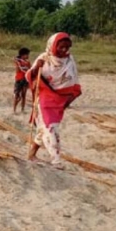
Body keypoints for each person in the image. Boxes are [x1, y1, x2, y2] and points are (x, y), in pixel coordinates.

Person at [25, 32, 82, 169]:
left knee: (43, 129)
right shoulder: (44, 58)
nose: (64, 50)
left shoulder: (69, 61)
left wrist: (68, 100)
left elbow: (73, 81)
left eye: (67, 47)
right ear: (53, 45)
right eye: (61, 47)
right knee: (51, 128)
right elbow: (30, 77)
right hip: (44, 98)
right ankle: (56, 160)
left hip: (60, 100)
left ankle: (31, 154)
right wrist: (36, 67)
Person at [13, 47, 32, 114]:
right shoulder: (18, 62)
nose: (28, 56)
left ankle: (22, 109)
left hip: (25, 79)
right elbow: (17, 70)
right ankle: (14, 110)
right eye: (27, 54)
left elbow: (30, 70)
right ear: (23, 55)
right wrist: (18, 65)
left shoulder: (27, 62)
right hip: (19, 79)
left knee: (24, 95)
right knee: (17, 96)